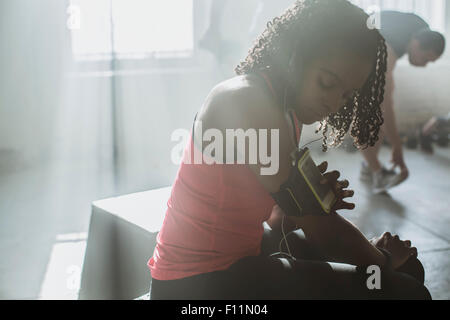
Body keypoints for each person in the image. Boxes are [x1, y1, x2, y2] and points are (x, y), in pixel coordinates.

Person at [148, 0, 431, 300]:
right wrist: (382, 260)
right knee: (407, 289)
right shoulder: (248, 101)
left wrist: (311, 201)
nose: (334, 102)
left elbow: (276, 220)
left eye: (347, 94)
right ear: (296, 55)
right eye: (327, 83)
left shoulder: (285, 109)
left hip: (242, 260)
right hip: (196, 288)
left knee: (408, 271)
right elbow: (318, 227)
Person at [360, 10, 446, 193]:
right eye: (425, 59)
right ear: (416, 45)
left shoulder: (421, 29)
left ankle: (369, 165)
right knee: (372, 117)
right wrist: (397, 147)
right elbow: (385, 103)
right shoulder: (389, 48)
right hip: (350, 47)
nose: (424, 65)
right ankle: (377, 173)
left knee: (378, 113)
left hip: (367, 39)